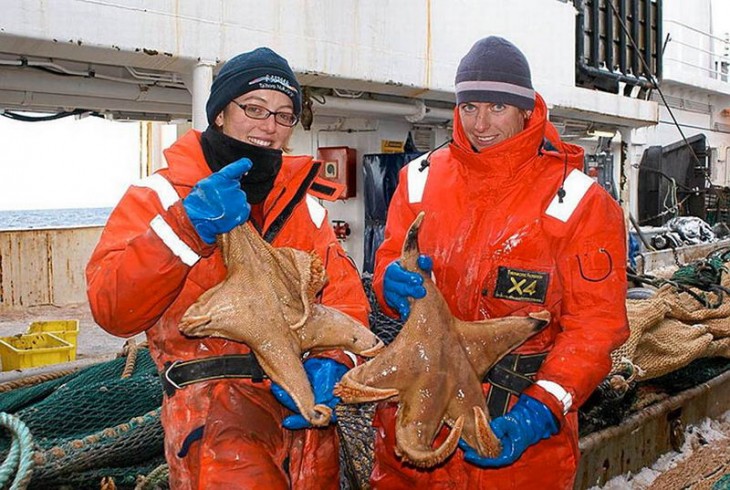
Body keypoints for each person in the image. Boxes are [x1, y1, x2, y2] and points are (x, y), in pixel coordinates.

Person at [86, 47, 370, 489]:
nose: (268, 126)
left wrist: (335, 359)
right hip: (213, 421)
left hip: (306, 415)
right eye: (253, 109)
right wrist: (186, 227)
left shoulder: (307, 207)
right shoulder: (157, 197)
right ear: (219, 113)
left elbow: (344, 300)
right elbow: (113, 311)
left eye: (283, 115)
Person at [371, 36, 629, 488]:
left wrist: (544, 406)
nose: (481, 123)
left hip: (518, 427)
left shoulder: (579, 202)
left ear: (526, 110)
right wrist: (387, 283)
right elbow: (392, 256)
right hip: (417, 414)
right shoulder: (418, 180)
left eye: (496, 108)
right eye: (469, 107)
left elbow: (596, 324)